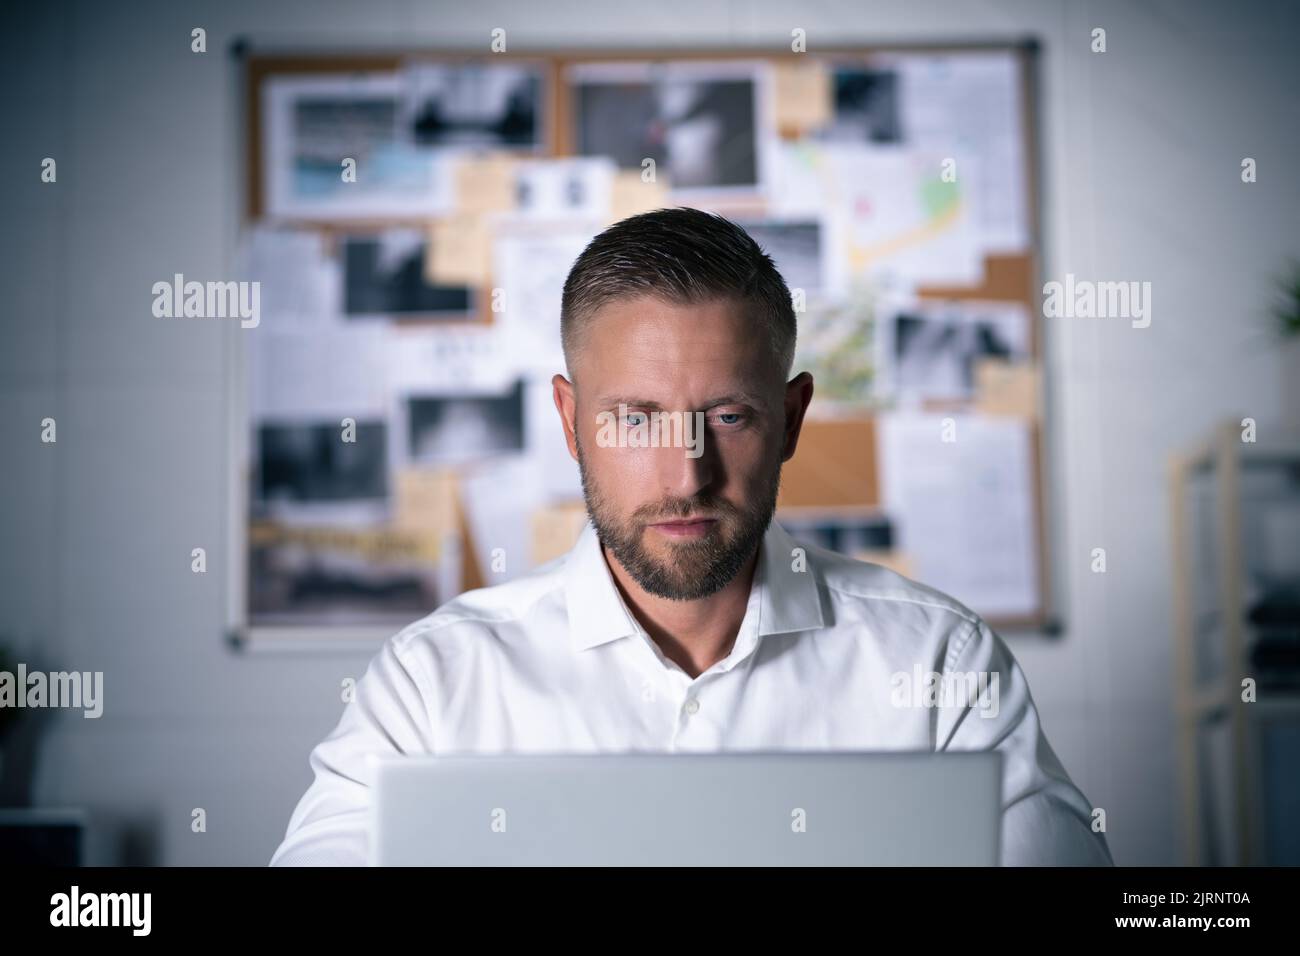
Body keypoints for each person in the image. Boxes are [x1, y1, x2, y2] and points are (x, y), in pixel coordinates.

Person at [270, 207, 1113, 867]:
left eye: (729, 417)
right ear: (571, 422)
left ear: (789, 419)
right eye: (635, 420)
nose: (686, 476)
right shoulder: (435, 686)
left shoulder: (940, 666)